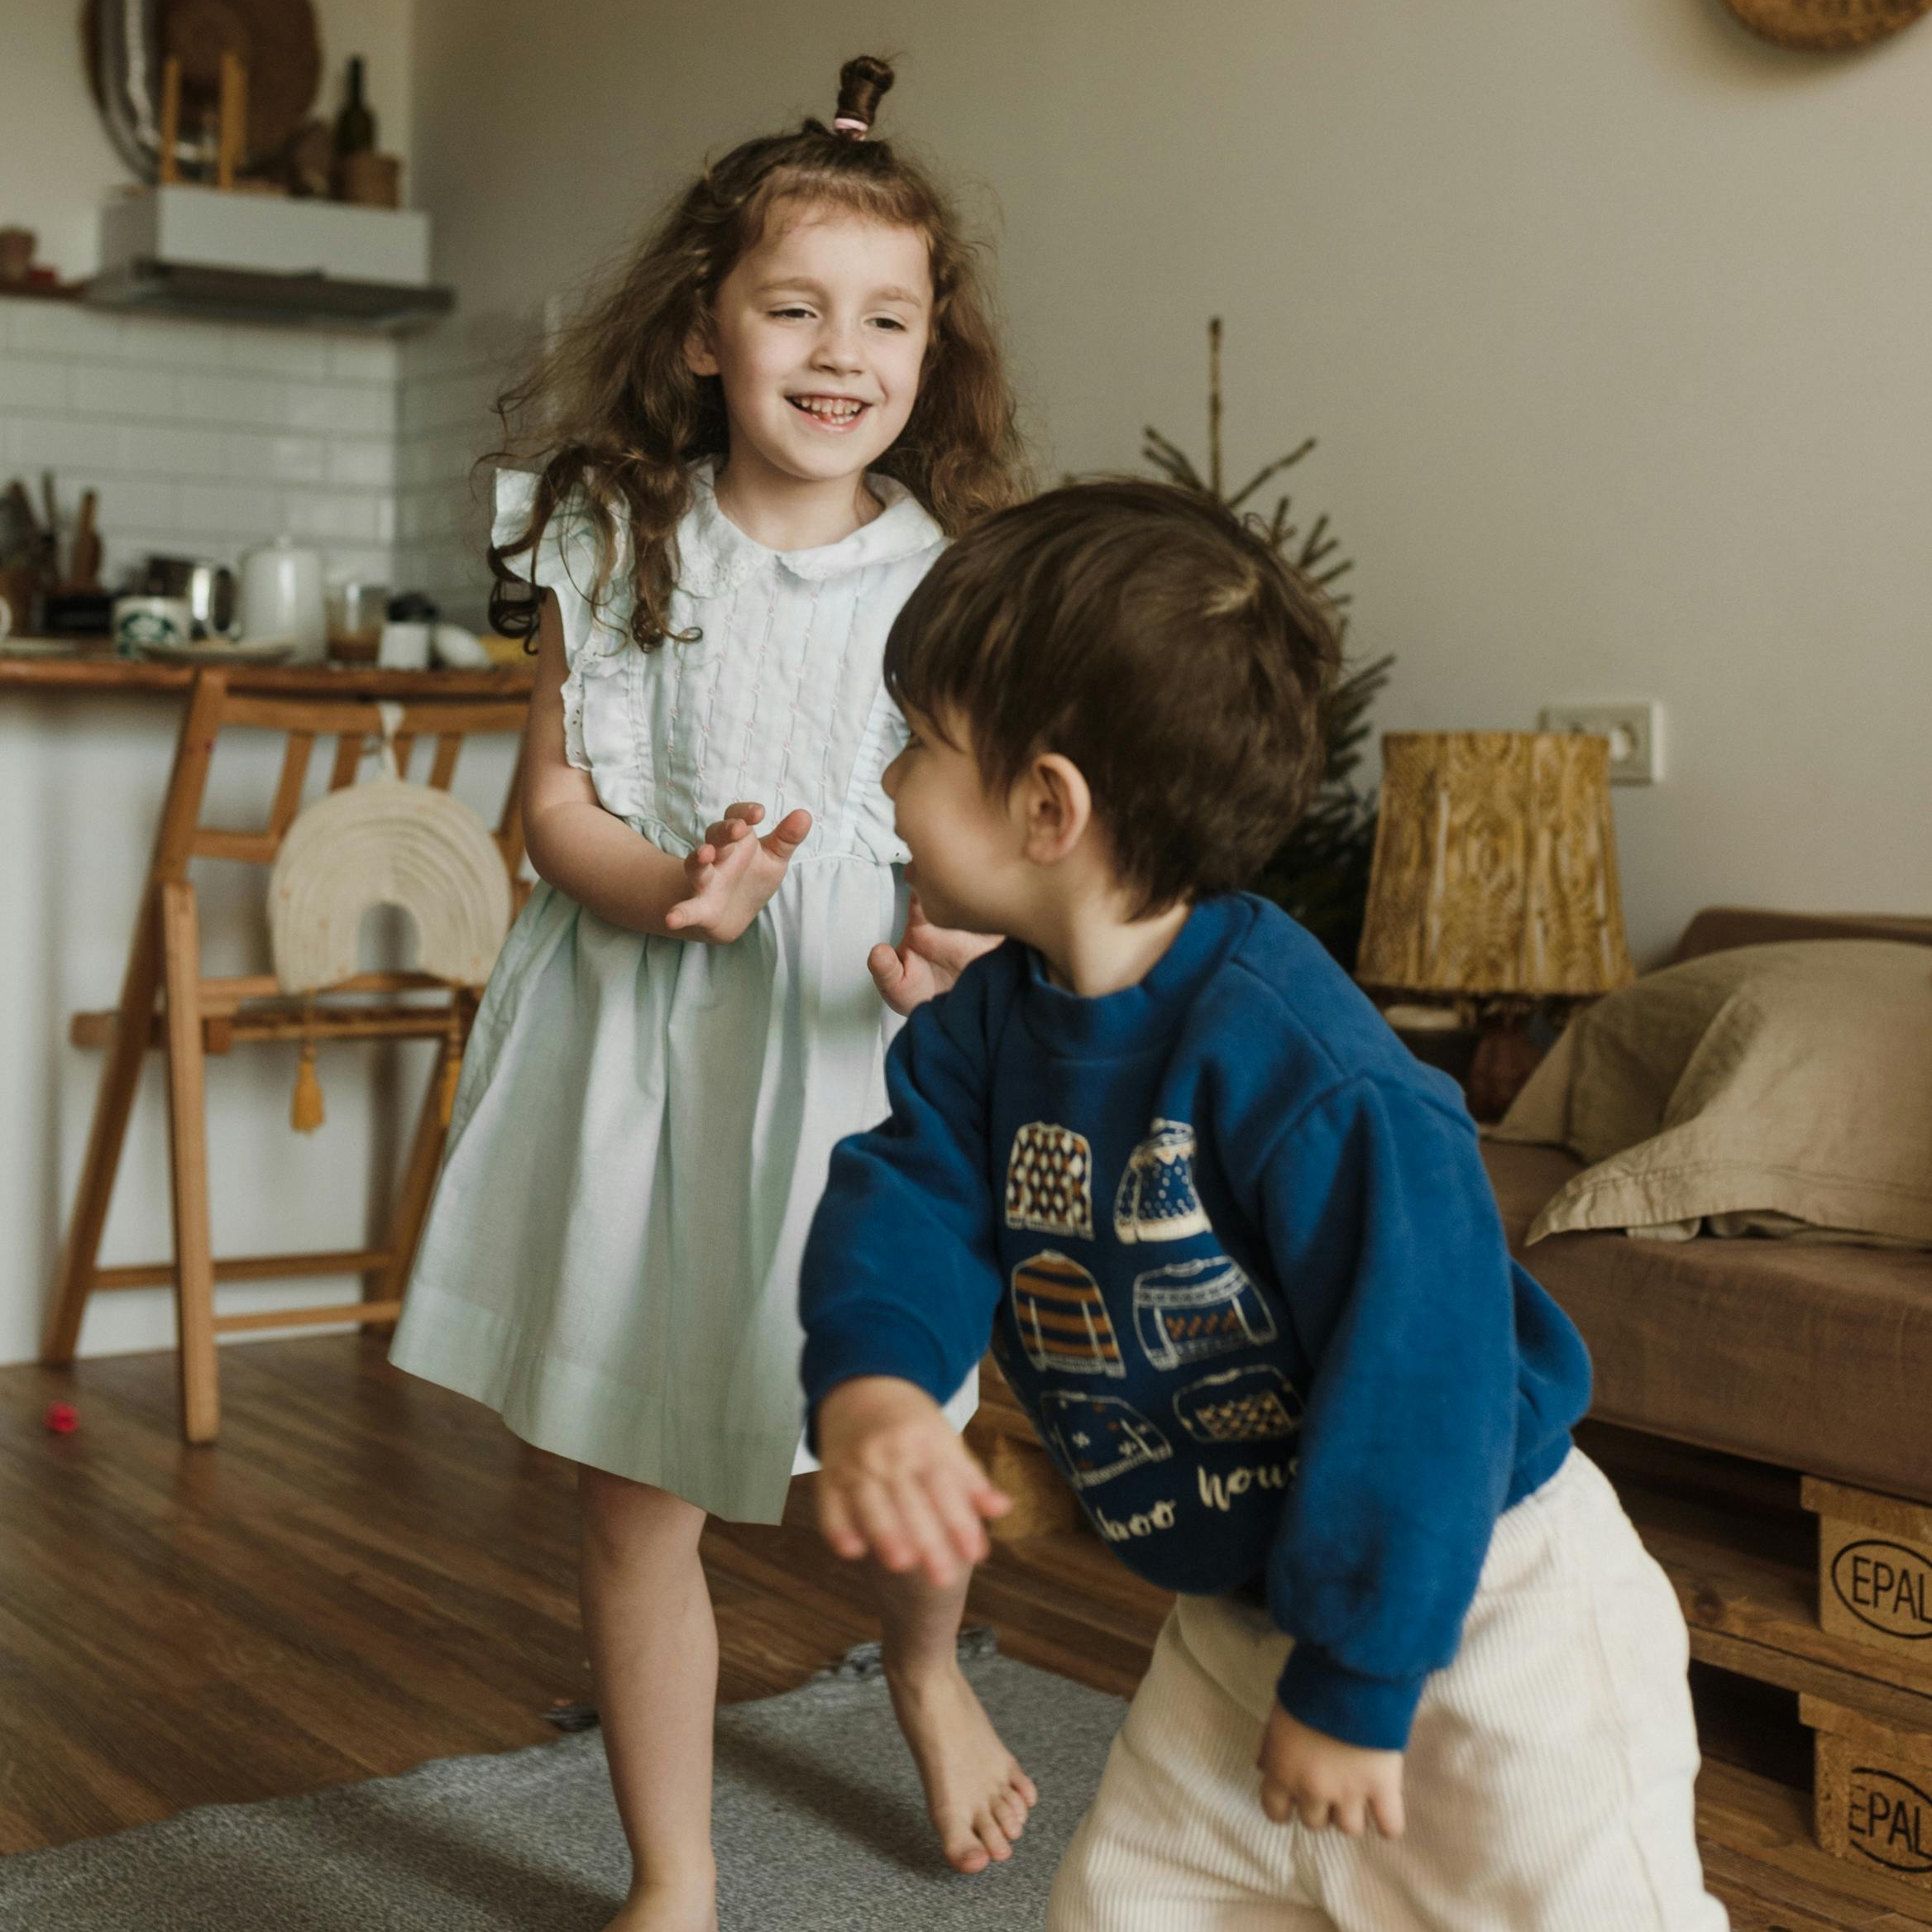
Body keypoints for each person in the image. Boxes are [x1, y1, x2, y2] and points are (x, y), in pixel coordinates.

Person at [797, 480, 1729, 1931]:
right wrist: (874, 1389)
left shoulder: (1310, 1070)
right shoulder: (989, 1029)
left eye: (918, 742)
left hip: (1483, 1603)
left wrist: (1361, 1683)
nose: (890, 784)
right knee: (1128, 1905)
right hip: (1243, 1610)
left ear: (1050, 806)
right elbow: (907, 1200)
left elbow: (1429, 1385)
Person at [386, 57, 1036, 1932]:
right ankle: (673, 1869)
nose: (842, 352)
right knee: (633, 1485)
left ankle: (923, 1664)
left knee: (900, 1433)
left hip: (852, 1056)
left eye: (886, 317)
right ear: (701, 330)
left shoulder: (957, 582)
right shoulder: (606, 536)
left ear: (932, 349)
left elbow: (982, 848)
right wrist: (678, 885)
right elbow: (550, 810)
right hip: (635, 1054)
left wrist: (953, 947)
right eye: (794, 307)